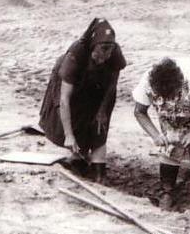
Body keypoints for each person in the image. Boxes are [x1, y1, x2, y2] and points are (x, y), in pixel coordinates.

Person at [39, 18, 126, 184]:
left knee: (100, 124)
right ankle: (77, 157)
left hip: (99, 84)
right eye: (101, 52)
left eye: (109, 52)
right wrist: (69, 135)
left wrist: (102, 111)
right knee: (77, 117)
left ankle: (99, 173)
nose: (106, 56)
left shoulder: (114, 54)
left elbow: (112, 85)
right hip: (75, 84)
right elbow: (64, 99)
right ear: (93, 47)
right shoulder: (75, 55)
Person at [133, 57, 190, 210]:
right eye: (163, 96)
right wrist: (155, 135)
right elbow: (139, 112)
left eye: (171, 95)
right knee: (170, 148)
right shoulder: (147, 84)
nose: (169, 100)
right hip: (168, 115)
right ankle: (167, 191)